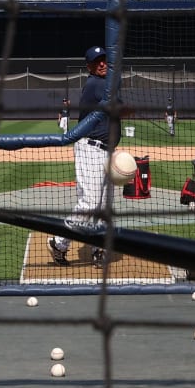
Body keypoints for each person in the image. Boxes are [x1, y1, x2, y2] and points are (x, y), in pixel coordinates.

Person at [49, 46, 116, 268]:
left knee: (103, 206)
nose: (102, 64)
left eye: (104, 59)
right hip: (91, 149)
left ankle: (98, 249)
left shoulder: (104, 84)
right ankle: (58, 243)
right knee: (90, 203)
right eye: (97, 61)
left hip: (106, 151)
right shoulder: (96, 84)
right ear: (89, 67)